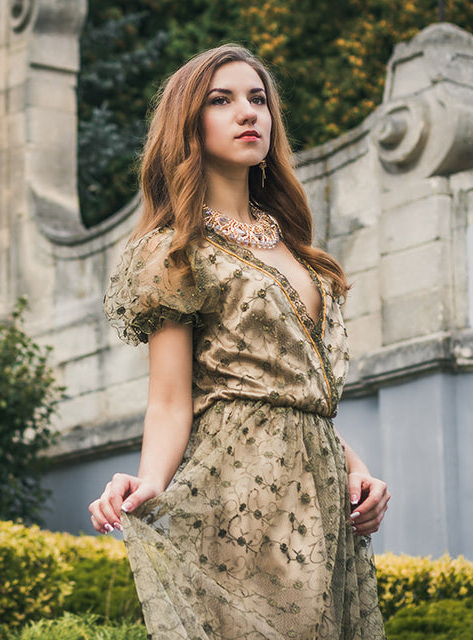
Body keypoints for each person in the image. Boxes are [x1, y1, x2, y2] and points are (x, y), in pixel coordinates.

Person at [87, 45, 391, 639]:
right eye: (221, 101)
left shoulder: (301, 251)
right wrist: (149, 481)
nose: (247, 112)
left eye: (258, 99)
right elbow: (171, 401)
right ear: (190, 124)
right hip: (239, 485)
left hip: (323, 489)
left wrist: (360, 472)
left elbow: (295, 388)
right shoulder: (177, 251)